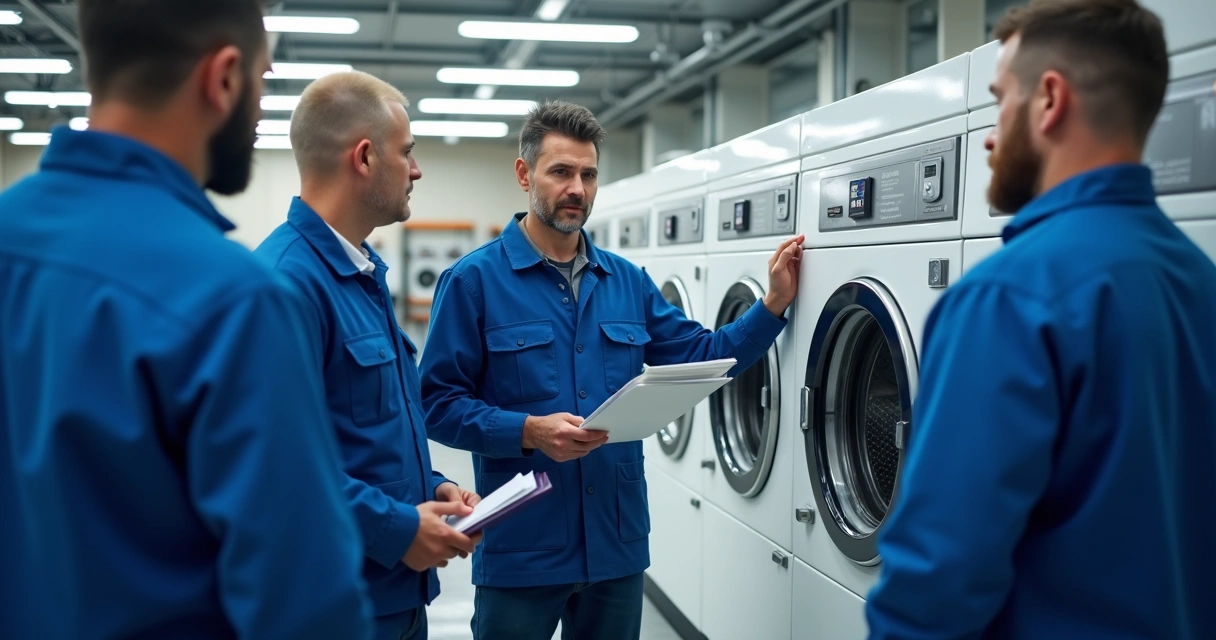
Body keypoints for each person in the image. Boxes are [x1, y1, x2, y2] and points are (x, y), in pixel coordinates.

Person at [0, 1, 375, 639]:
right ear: (223, 77)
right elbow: (305, 606)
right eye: (261, 81)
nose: (259, 111)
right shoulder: (233, 301)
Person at [865, 0, 1216, 638]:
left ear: (1049, 100)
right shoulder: (1197, 280)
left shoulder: (1007, 297)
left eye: (1001, 99)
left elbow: (938, 578)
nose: (991, 134)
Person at [419, 100, 804, 640]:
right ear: (525, 174)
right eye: (561, 172)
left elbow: (704, 357)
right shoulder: (474, 282)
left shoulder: (626, 281)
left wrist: (771, 307)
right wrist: (528, 431)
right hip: (524, 546)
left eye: (588, 174)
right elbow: (436, 404)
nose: (577, 187)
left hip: (615, 545)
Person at [254, 71, 482, 640]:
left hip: (395, 596)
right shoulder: (287, 285)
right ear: (363, 157)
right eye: (406, 153)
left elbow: (364, 433)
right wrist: (398, 528)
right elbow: (276, 468)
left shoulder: (361, 274)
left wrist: (431, 488)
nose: (416, 169)